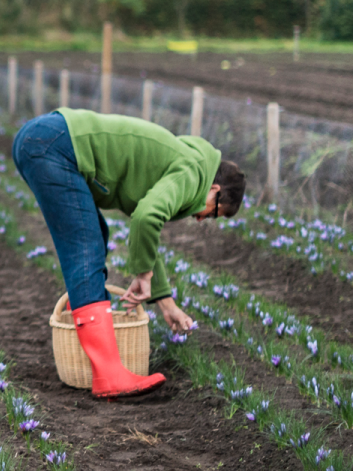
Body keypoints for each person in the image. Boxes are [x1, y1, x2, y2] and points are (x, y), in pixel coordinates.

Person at [12, 107, 246, 399]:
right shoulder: (192, 170)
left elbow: (145, 227)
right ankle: (108, 373)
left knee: (94, 236)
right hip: (55, 144)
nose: (202, 219)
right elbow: (147, 217)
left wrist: (166, 304)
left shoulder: (183, 163)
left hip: (44, 138)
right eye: (214, 212)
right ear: (215, 188)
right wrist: (143, 274)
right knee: (86, 246)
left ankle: (92, 346)